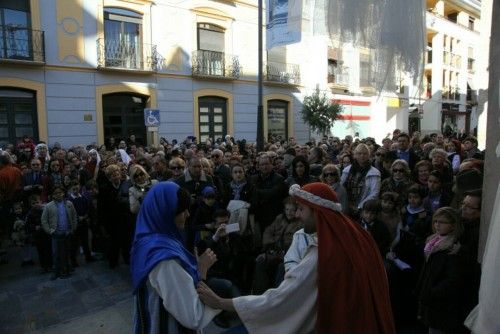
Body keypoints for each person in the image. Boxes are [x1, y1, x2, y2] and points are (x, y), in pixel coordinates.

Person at [197, 182, 395, 333]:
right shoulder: (357, 236)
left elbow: (281, 299)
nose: (298, 214)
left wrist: (222, 303)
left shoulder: (323, 252)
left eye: (301, 209)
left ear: (318, 212)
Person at [130, 182, 220, 333]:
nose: (187, 214)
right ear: (166, 212)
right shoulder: (164, 258)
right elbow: (193, 316)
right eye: (182, 210)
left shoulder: (147, 240)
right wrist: (201, 271)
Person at [416, 207, 464, 333]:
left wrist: (432, 292)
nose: (437, 225)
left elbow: (452, 279)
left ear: (453, 226)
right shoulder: (432, 242)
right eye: (436, 221)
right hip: (430, 297)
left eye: (442, 222)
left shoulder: (452, 248)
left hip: (441, 302)